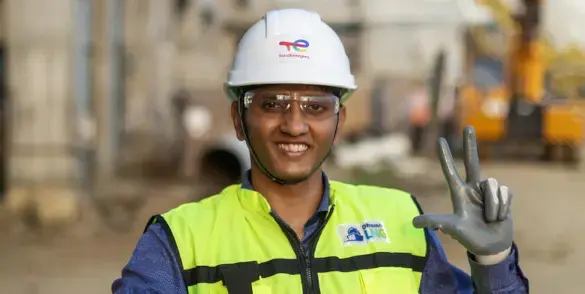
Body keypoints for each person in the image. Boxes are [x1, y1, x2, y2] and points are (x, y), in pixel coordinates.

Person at [112, 9, 528, 293]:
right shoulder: (180, 240)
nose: (294, 124)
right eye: (272, 104)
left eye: (315, 106)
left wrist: (494, 261)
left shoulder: (402, 220)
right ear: (238, 120)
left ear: (339, 123)